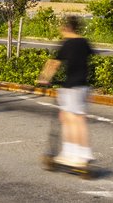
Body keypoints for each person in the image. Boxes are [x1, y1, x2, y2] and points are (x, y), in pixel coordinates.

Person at [36, 15, 94, 172]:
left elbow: (54, 63)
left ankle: (80, 155)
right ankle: (73, 152)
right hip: (83, 86)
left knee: (73, 119)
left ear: (67, 28)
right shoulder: (84, 43)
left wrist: (44, 79)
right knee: (70, 117)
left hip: (70, 87)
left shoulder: (67, 43)